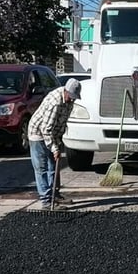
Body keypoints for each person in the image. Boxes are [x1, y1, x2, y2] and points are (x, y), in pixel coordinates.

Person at [27, 78, 82, 209]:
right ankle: (46, 201)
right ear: (66, 91)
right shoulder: (55, 103)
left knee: (54, 166)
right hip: (38, 134)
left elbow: (61, 123)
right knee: (42, 168)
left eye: (75, 97)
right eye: (72, 96)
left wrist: (57, 143)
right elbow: (46, 129)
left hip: (53, 134)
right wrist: (54, 148)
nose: (73, 99)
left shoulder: (69, 101)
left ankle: (54, 195)